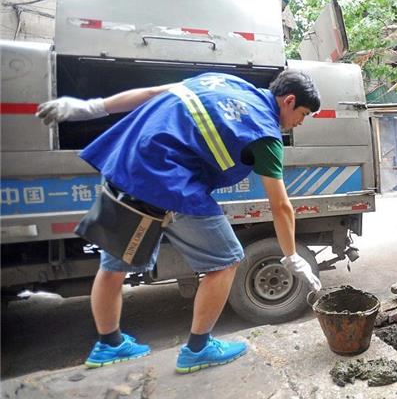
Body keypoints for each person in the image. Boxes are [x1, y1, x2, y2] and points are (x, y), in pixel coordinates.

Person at [37, 70, 323, 373]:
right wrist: (291, 256)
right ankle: (198, 349)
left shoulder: (224, 81)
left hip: (129, 161)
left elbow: (153, 93)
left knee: (114, 264)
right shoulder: (265, 134)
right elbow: (281, 206)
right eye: (303, 114)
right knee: (227, 260)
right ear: (289, 101)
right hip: (169, 180)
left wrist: (91, 107)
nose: (300, 122)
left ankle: (109, 344)